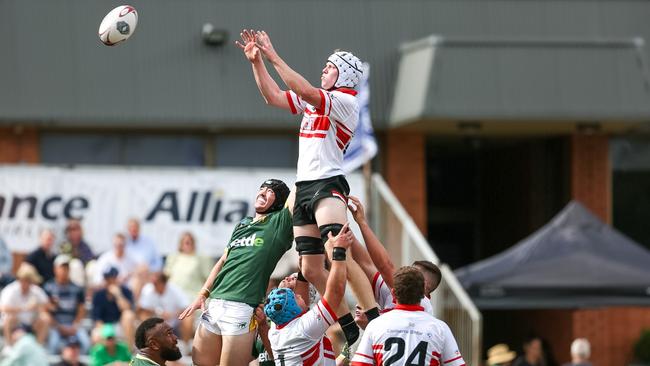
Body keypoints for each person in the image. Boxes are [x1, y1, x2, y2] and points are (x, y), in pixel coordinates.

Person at [236, 29, 366, 336]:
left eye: (330, 66)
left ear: (344, 75)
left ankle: (372, 313)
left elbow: (306, 91)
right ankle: (349, 329)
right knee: (309, 269)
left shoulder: (344, 101)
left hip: (326, 181)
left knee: (339, 251)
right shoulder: (317, 100)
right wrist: (257, 63)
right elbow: (274, 96)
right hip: (305, 185)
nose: (324, 69)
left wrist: (273, 54)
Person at [179, 179, 293, 366]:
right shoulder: (242, 224)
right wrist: (203, 293)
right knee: (200, 363)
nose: (263, 191)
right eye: (262, 188)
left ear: (279, 202)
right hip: (214, 303)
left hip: (241, 308)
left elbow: (299, 187)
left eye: (271, 191)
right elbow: (223, 261)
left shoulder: (278, 224)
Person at [264, 224, 354, 365]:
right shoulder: (304, 328)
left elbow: (301, 303)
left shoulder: (277, 329)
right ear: (293, 309)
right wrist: (339, 251)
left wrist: (304, 270)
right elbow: (336, 291)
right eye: (295, 297)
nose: (299, 295)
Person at [350, 266, 465, 366]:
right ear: (423, 294)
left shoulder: (375, 325)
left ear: (393, 293)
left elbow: (360, 364)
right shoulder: (440, 328)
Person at [347, 196, 439, 314]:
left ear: (424, 286)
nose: (404, 274)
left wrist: (371, 319)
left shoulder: (424, 305)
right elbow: (365, 263)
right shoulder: (396, 291)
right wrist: (340, 226)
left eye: (412, 273)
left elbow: (385, 266)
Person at [43, 254, 91, 354]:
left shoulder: (77, 288)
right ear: (55, 269)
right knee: (53, 344)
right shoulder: (48, 287)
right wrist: (59, 327)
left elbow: (82, 309)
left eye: (66, 268)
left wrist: (75, 325)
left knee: (86, 343)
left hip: (73, 325)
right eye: (61, 268)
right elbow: (45, 311)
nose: (64, 270)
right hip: (56, 326)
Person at [138, 272, 192, 353]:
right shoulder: (148, 289)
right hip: (155, 324)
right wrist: (157, 312)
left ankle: (186, 348)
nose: (153, 285)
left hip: (175, 323)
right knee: (143, 315)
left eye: (156, 283)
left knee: (189, 318)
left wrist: (172, 314)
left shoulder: (175, 290)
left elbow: (186, 306)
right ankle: (146, 344)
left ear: (163, 282)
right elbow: (141, 308)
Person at [0, 263, 50, 344]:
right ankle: (9, 347)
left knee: (45, 318)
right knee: (9, 318)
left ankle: (38, 347)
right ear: (21, 279)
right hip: (15, 325)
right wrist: (23, 308)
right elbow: (2, 308)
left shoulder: (35, 290)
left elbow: (47, 305)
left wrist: (38, 307)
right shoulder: (10, 290)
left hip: (31, 325)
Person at [91, 266, 136, 348]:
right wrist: (107, 332)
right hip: (105, 326)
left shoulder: (125, 291)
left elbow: (128, 309)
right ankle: (102, 359)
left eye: (112, 278)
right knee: (96, 335)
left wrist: (118, 295)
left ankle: (128, 354)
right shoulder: (99, 294)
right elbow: (97, 319)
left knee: (128, 315)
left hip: (120, 325)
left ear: (116, 278)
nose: (109, 281)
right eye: (107, 278)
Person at [163, 232, 214, 301]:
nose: (188, 245)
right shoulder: (173, 257)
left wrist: (204, 294)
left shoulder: (202, 258)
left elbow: (209, 279)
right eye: (186, 243)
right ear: (180, 245)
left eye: (191, 242)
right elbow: (166, 275)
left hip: (193, 295)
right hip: (175, 297)